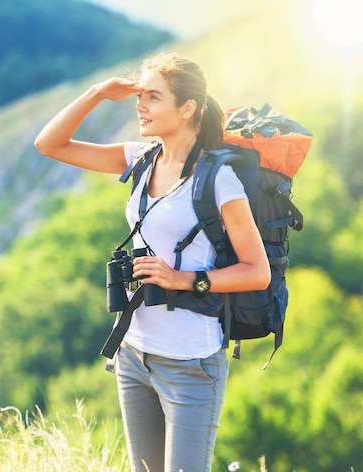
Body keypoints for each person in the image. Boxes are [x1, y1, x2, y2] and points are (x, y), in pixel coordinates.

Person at [34, 51, 270, 472]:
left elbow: (257, 271)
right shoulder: (141, 159)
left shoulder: (219, 179)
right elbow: (49, 144)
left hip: (190, 363)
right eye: (139, 95)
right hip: (134, 354)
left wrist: (183, 279)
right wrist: (96, 93)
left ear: (187, 108)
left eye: (153, 97)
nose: (139, 105)